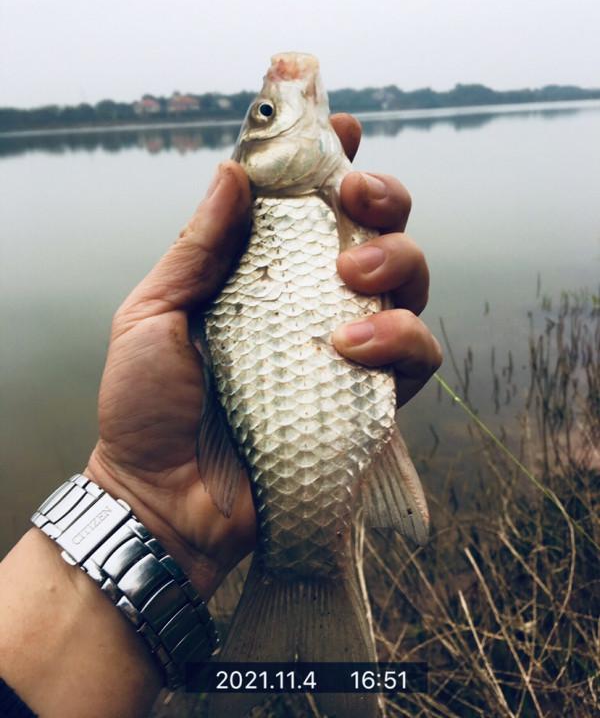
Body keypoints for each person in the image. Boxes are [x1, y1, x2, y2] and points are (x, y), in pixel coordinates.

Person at [0, 114, 442, 718]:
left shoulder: (335, 192)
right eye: (267, 115)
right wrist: (143, 502)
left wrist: (140, 508)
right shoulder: (257, 204)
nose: (284, 106)